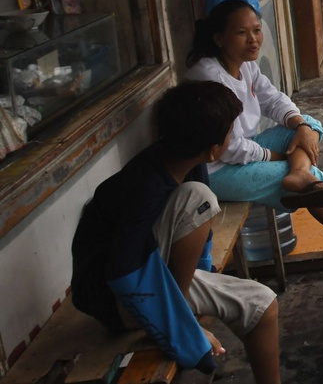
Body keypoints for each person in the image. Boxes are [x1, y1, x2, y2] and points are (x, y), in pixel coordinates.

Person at [71, 81, 282, 383]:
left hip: (142, 279)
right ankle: (182, 308)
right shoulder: (147, 185)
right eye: (230, 133)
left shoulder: (178, 161)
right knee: (200, 200)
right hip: (118, 301)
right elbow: (122, 272)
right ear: (213, 150)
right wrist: (188, 334)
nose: (234, 136)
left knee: (263, 305)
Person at [185, 0, 323, 266]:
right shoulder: (210, 77)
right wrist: (276, 156)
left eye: (256, 30)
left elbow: (274, 100)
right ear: (219, 38)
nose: (253, 40)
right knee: (312, 179)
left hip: (242, 149)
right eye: (242, 33)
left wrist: (300, 125)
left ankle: (298, 173)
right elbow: (226, 148)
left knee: (310, 124)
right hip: (214, 170)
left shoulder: (245, 65)